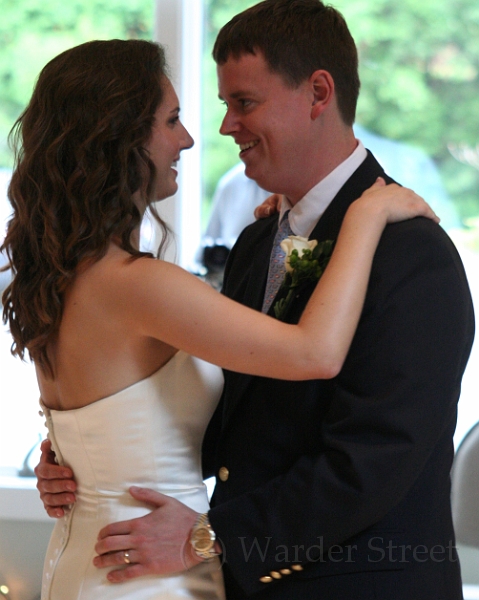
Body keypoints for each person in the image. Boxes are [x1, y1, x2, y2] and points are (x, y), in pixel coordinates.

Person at [44, 1, 475, 598]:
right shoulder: (256, 242)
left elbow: (375, 459)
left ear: (318, 93)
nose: (225, 127)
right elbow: (242, 426)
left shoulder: (410, 251)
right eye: (224, 105)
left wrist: (210, 537)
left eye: (244, 103)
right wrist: (89, 458)